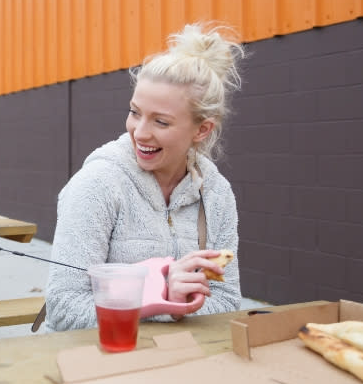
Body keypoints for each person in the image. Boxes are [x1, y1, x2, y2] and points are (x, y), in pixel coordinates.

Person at [44, 22, 245, 331]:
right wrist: (164, 299)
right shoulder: (98, 184)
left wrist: (173, 307)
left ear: (202, 129)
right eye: (135, 112)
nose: (140, 132)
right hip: (99, 361)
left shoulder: (216, 194)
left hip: (179, 362)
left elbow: (227, 301)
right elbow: (64, 307)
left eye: (161, 122)